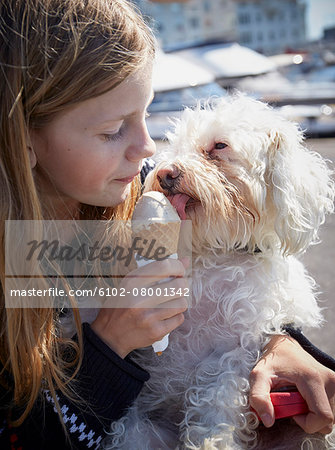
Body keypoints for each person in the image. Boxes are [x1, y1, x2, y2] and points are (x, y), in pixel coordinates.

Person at [0, 1, 334, 449]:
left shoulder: (143, 192)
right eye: (113, 129)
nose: (148, 148)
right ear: (24, 138)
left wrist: (280, 343)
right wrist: (111, 341)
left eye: (146, 114)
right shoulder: (18, 252)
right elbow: (24, 438)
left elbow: (246, 281)